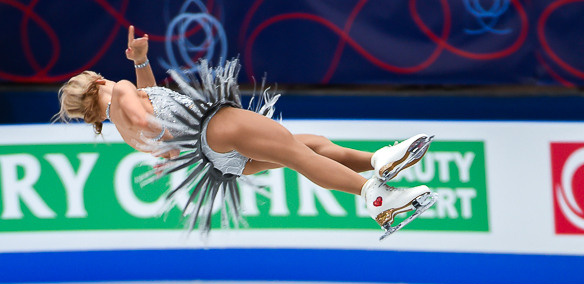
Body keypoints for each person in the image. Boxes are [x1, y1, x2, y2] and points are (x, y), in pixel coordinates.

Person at [56, 26, 435, 236]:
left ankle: (378, 161)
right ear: (96, 80)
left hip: (218, 159)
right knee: (299, 155)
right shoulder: (121, 90)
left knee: (307, 147)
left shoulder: (123, 131)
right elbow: (145, 114)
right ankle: (375, 196)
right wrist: (149, 113)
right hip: (216, 127)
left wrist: (141, 62)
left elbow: (153, 105)